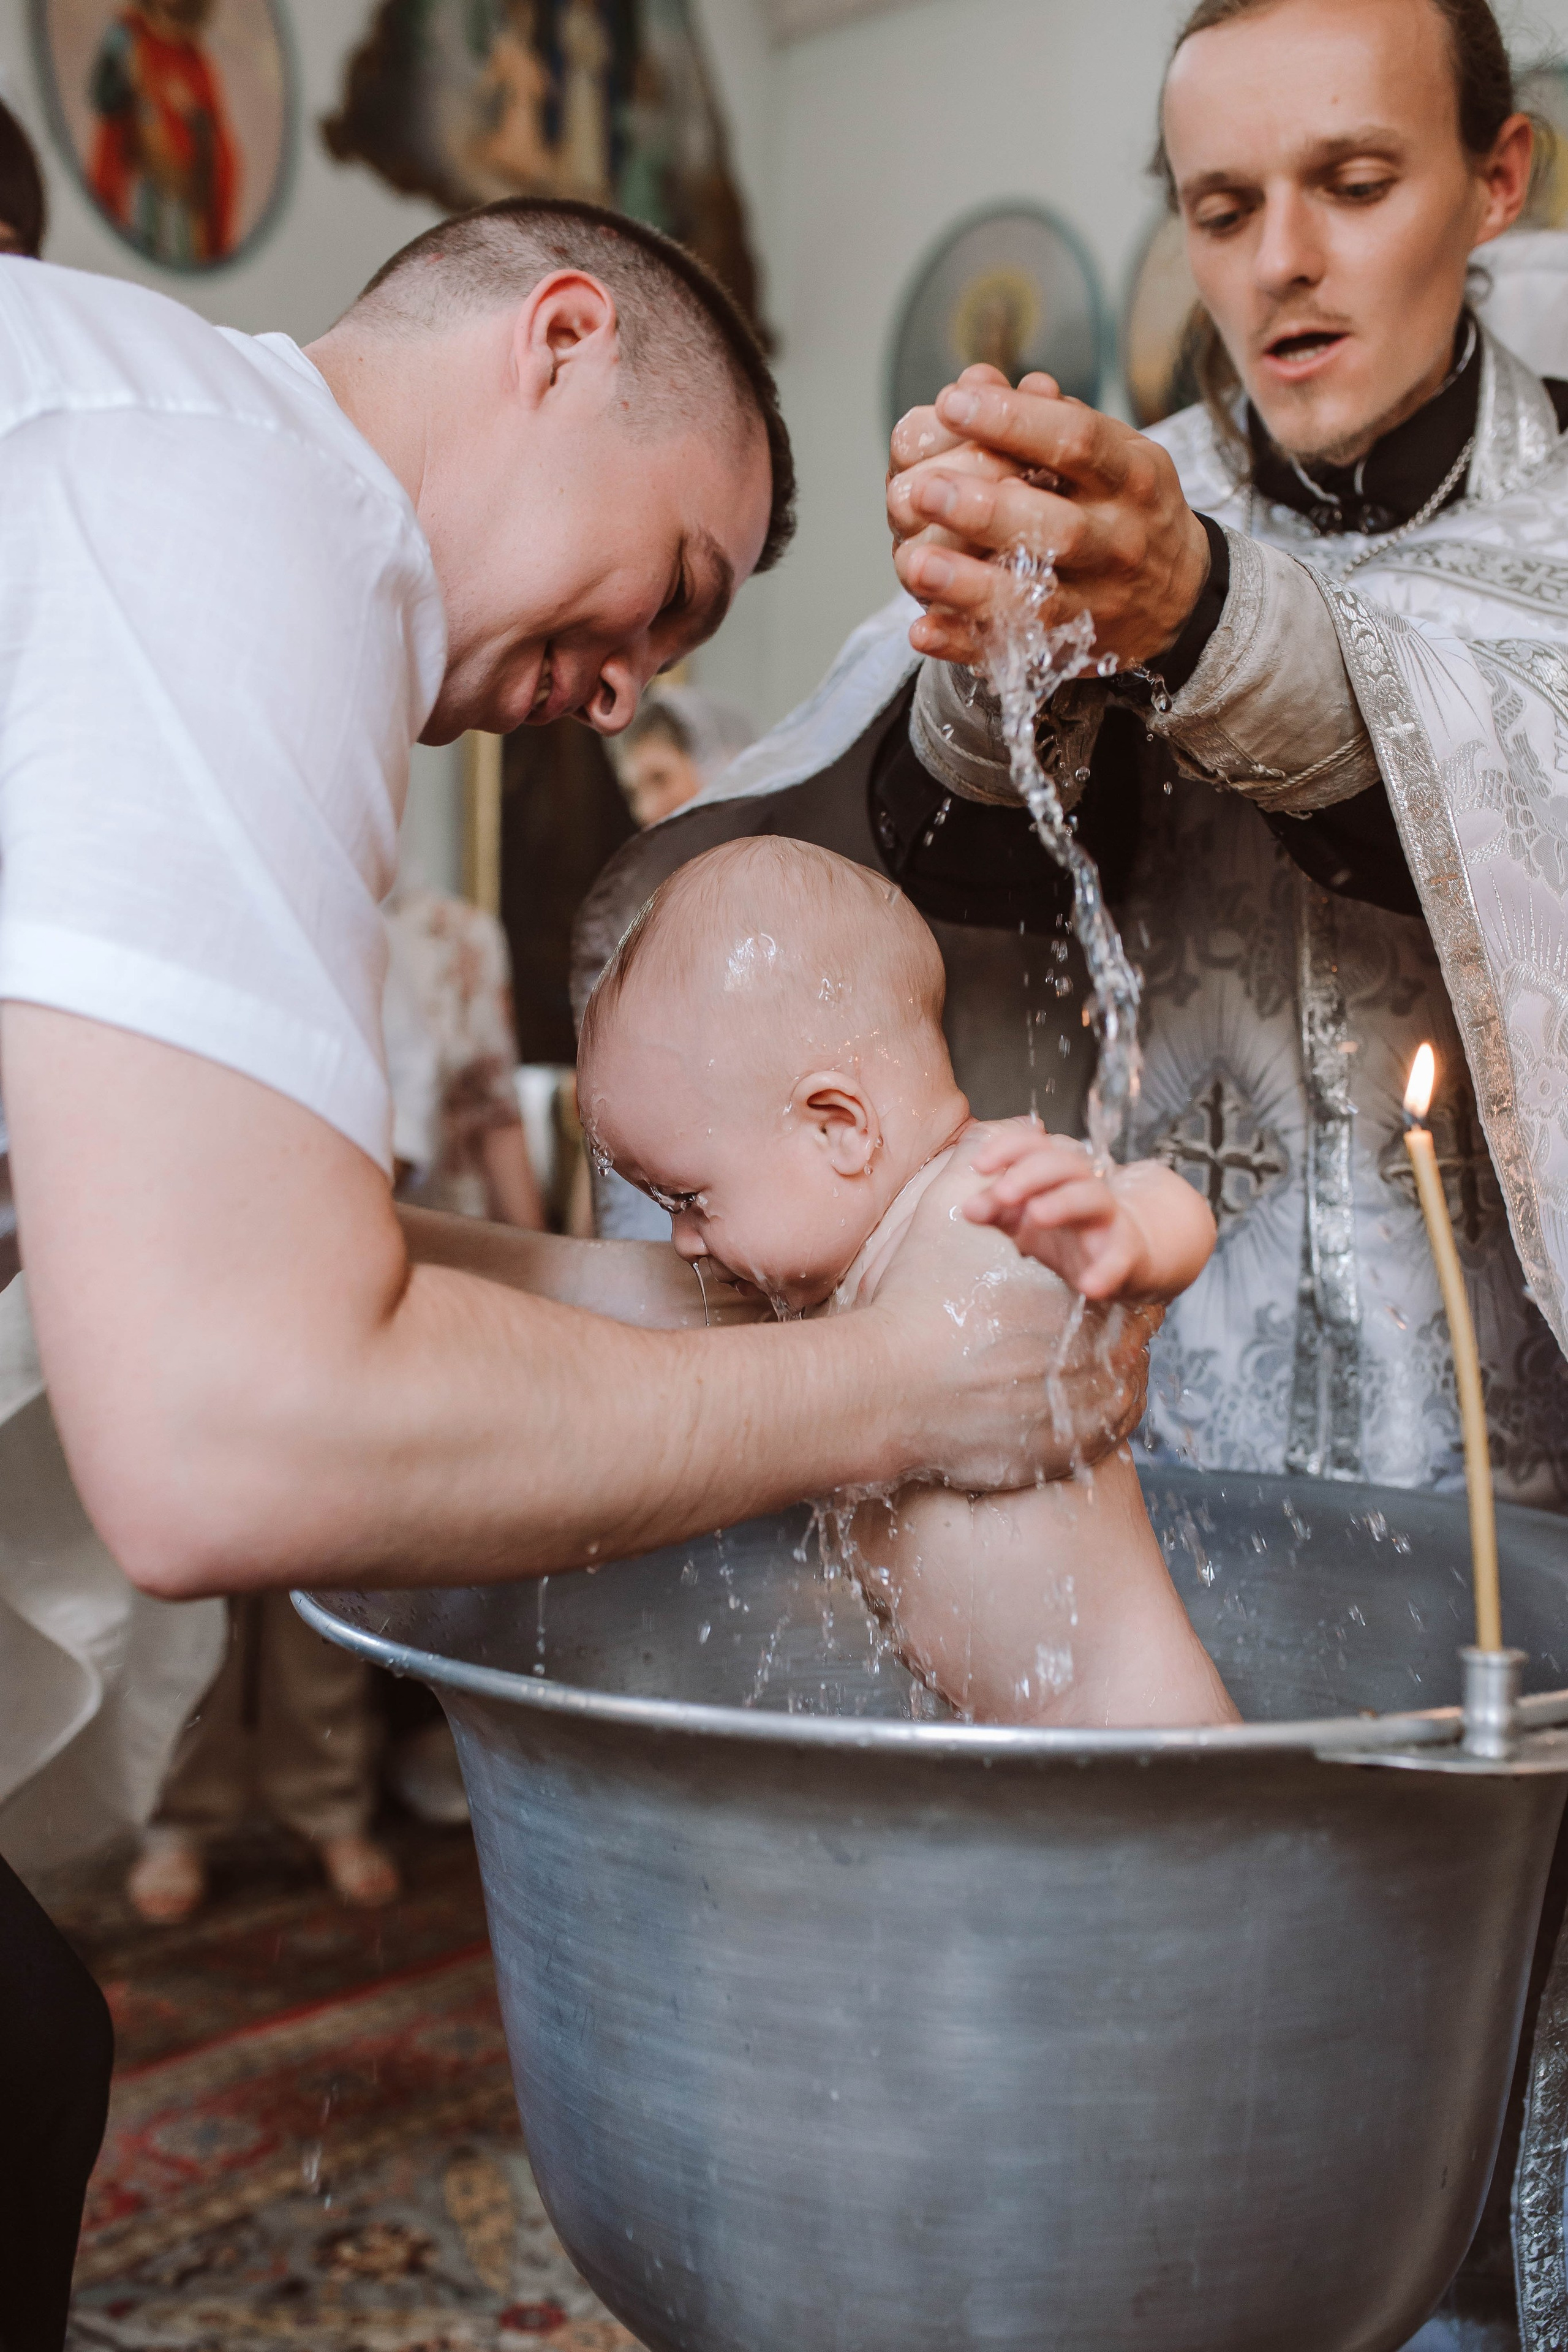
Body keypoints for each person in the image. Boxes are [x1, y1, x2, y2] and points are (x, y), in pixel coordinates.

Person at [0, 195, 1144, 2343]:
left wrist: (799, 1305)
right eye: (676, 588)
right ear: (551, 338)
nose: (626, 687)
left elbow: (234, 1235)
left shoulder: (128, 435)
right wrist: (908, 1391)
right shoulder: (243, 505)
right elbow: (226, 1432)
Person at [579, 837, 1235, 1730]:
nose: (685, 1243)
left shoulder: (980, 1200)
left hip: (1136, 1730)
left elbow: (1169, 1198)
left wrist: (1131, 1236)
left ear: (837, 1128)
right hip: (995, 1735)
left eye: (690, 1198)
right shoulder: (840, 1279)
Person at [611, 681, 757, 826]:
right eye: (632, 794)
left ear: (719, 762)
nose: (646, 812)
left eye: (660, 779)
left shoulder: (773, 845)